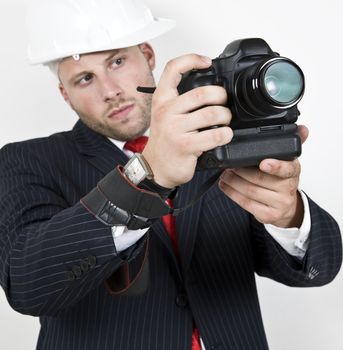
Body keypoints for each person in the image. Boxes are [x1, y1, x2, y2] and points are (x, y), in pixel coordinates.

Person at [0, 0, 341, 349]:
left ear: (147, 55)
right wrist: (146, 175)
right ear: (65, 95)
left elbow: (321, 268)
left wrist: (290, 216)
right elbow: (27, 285)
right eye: (85, 78)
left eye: (117, 61)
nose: (110, 91)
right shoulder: (27, 161)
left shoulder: (218, 140)